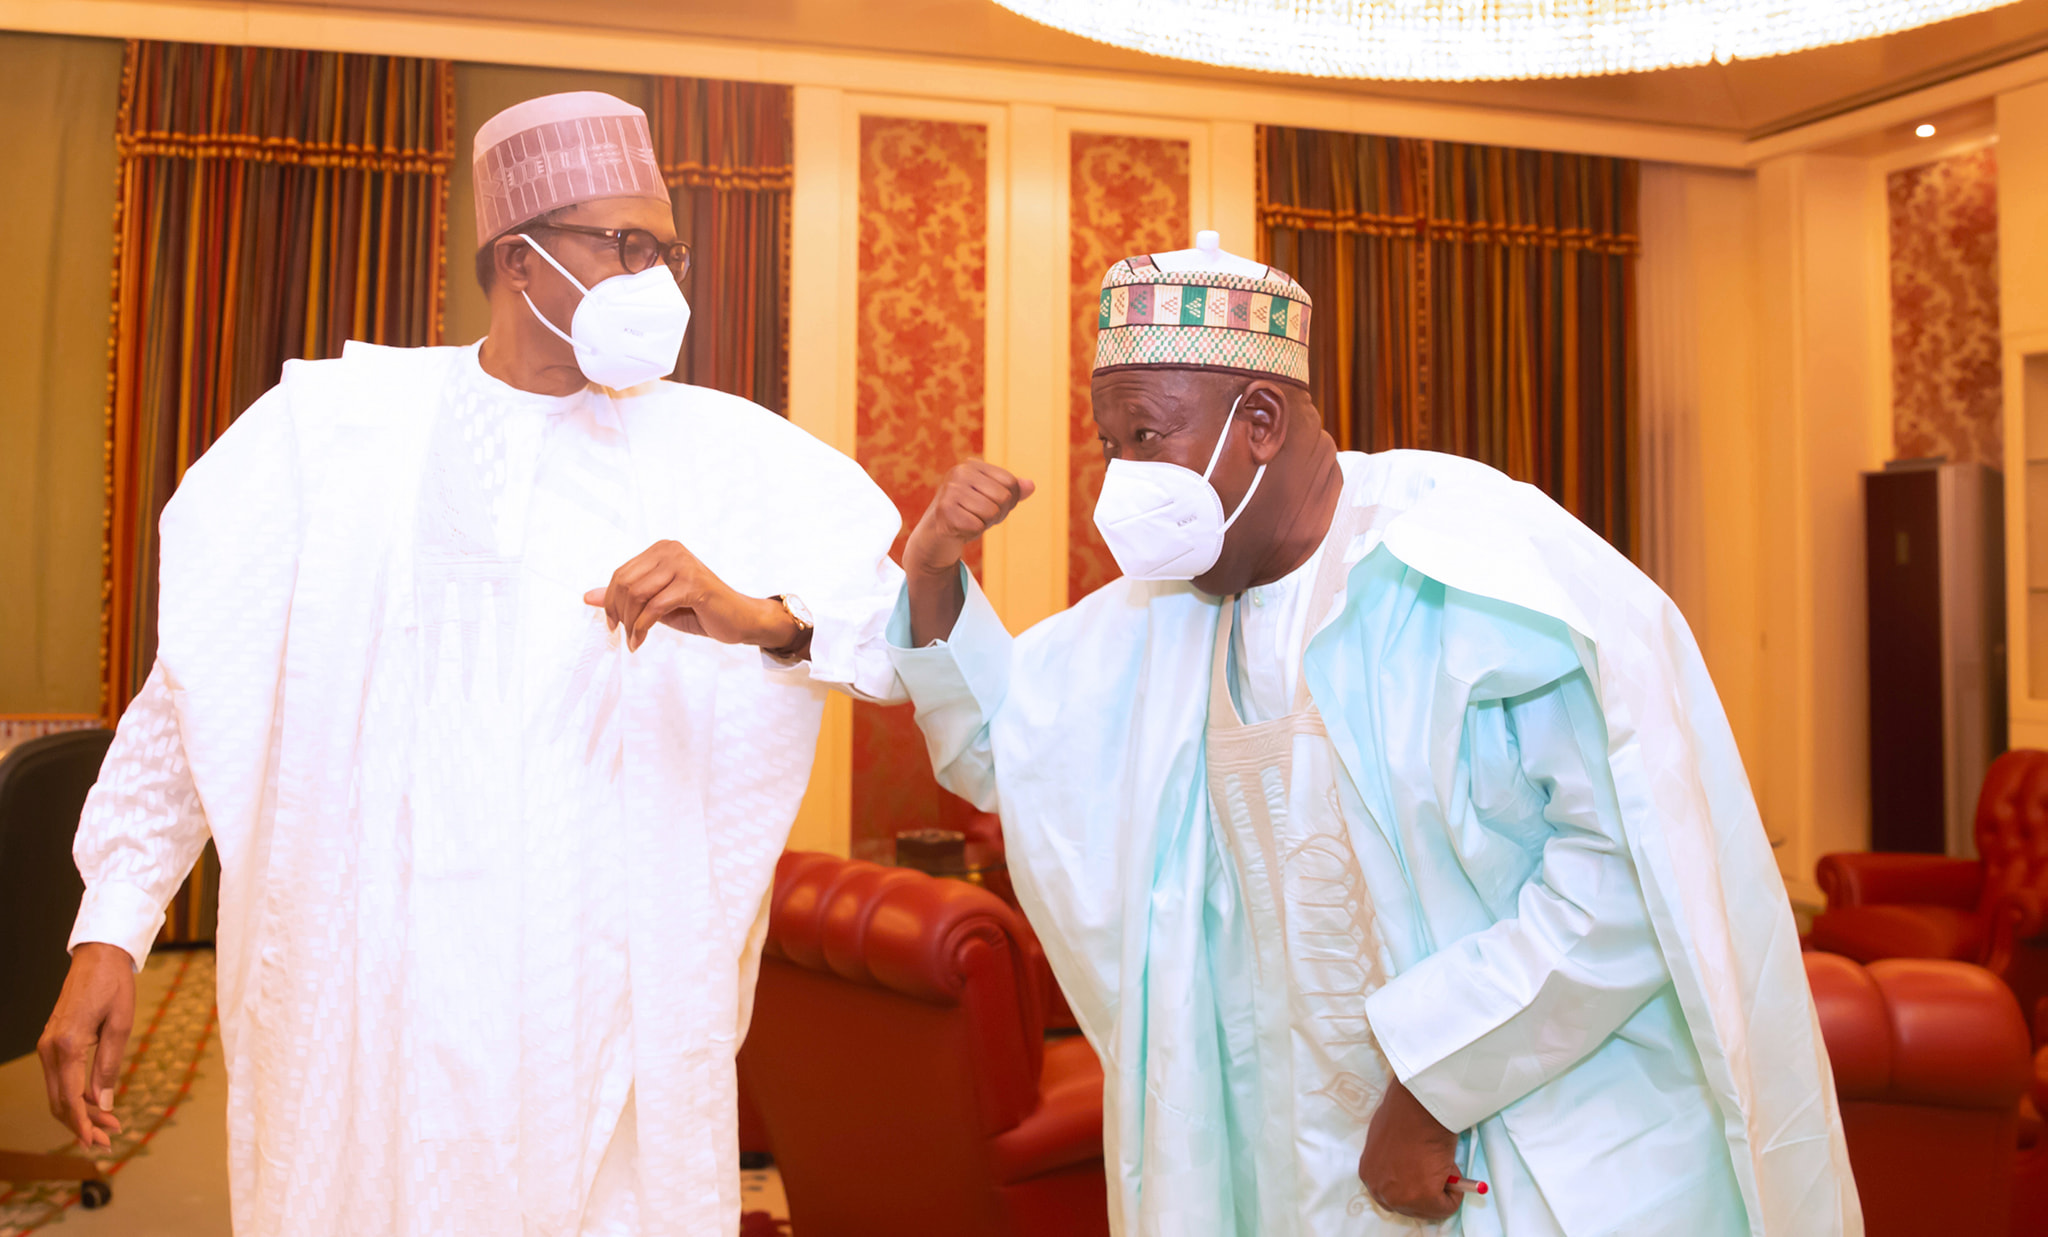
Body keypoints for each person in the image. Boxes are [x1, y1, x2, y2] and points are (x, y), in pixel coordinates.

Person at [38, 91, 904, 1237]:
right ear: (519, 259)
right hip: (369, 997)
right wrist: (114, 921)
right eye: (624, 245)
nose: (657, 279)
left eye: (667, 249)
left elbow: (893, 632)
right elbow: (197, 684)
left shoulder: (719, 449)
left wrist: (757, 615)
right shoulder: (337, 432)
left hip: (602, 1005)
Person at [888, 237, 1860, 1236]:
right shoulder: (1169, 611)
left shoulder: (1472, 571)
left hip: (1521, 1139)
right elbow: (1008, 752)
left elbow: (1625, 880)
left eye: (1146, 435)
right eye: (1110, 445)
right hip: (1284, 1160)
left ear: (1259, 421)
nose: (1123, 477)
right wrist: (929, 574)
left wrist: (1433, 1085)